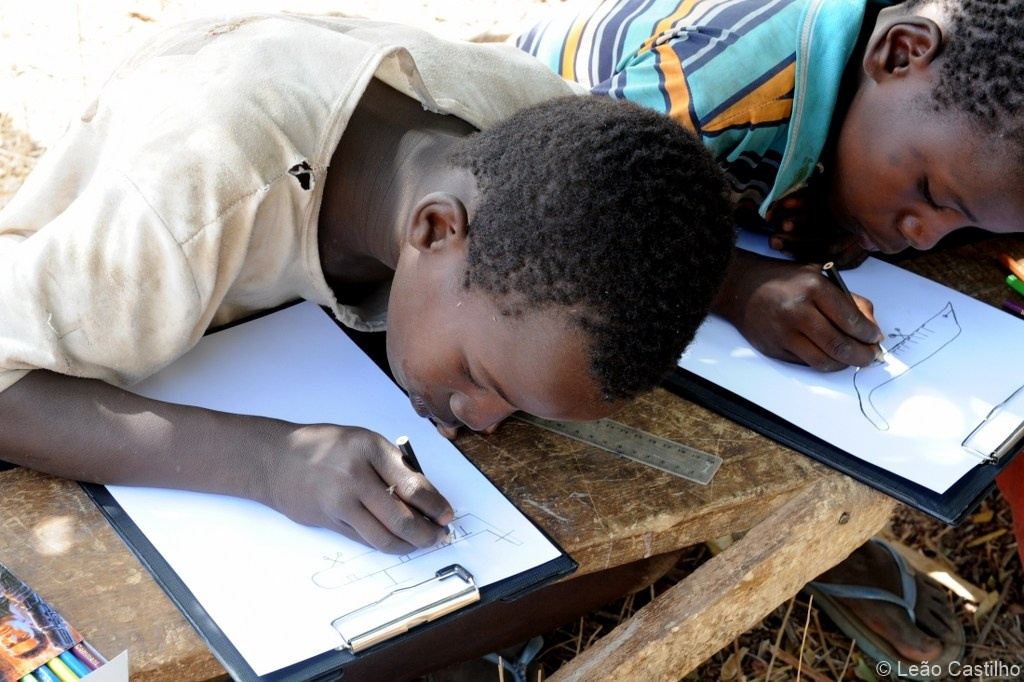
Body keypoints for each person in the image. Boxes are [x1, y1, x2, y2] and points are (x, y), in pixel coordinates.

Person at [0, 14, 736, 557]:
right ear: (433, 231)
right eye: (483, 378)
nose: (479, 420)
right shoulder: (189, 203)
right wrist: (267, 461)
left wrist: (747, 282)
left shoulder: (532, 125)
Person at [517, 0, 1023, 675]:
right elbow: (552, 201)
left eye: (959, 226)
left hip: (702, 171)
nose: (925, 234)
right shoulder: (729, 73)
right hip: (550, 160)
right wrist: (734, 284)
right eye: (928, 191)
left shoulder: (927, 110)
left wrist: (837, 203)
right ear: (898, 54)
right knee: (577, 345)